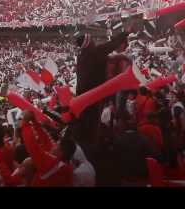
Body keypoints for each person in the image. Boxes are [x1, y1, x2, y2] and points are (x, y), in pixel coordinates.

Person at [72, 28, 131, 162]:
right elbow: (112, 44)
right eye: (92, 40)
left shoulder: (82, 56)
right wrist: (126, 32)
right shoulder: (94, 53)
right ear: (88, 42)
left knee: (85, 126)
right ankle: (92, 156)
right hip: (93, 96)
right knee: (93, 127)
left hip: (82, 97)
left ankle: (83, 152)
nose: (94, 42)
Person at [20, 110, 74, 187]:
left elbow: (32, 146)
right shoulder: (65, 164)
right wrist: (34, 122)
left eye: (57, 145)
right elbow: (46, 140)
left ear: (61, 153)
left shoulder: (51, 164)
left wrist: (25, 122)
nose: (54, 145)